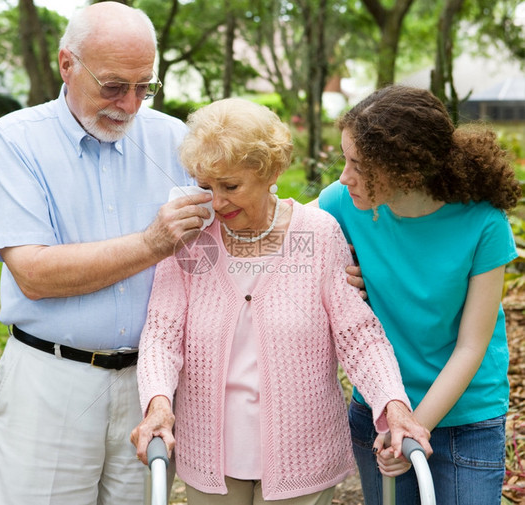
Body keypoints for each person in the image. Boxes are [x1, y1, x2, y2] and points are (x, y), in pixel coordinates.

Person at [130, 97, 431, 505]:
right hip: (209, 458)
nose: (216, 203)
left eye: (231, 186)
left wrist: (393, 403)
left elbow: (358, 334)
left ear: (271, 171)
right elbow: (162, 335)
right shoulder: (190, 237)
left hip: (302, 457)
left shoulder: (319, 234)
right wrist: (158, 405)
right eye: (205, 187)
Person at [0, 3, 213, 504]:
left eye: (144, 87)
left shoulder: (175, 140)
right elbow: (34, 274)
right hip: (50, 381)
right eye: (113, 86)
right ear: (67, 64)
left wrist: (326, 258)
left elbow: (228, 237)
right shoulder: (18, 139)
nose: (129, 104)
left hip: (152, 389)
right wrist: (152, 242)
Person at [312, 85, 521, 505]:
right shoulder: (342, 202)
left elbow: (471, 346)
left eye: (359, 165)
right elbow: (282, 243)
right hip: (380, 410)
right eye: (344, 159)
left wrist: (412, 427)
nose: (343, 176)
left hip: (468, 418)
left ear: (406, 170)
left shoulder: (482, 222)